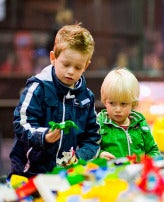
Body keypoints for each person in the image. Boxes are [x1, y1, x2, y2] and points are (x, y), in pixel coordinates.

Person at [9, 23, 101, 178]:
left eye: (78, 67)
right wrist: (43, 136)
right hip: (30, 174)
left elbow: (93, 138)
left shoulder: (86, 97)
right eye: (66, 64)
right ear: (53, 58)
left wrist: (80, 158)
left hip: (68, 175)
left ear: (86, 66)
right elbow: (21, 124)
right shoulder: (38, 88)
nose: (71, 71)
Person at [97, 67, 161, 161]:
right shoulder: (99, 123)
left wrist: (150, 162)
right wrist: (99, 154)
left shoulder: (140, 124)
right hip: (111, 174)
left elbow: (152, 150)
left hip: (138, 173)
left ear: (133, 103)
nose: (118, 109)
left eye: (123, 104)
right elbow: (90, 148)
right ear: (105, 101)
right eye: (112, 103)